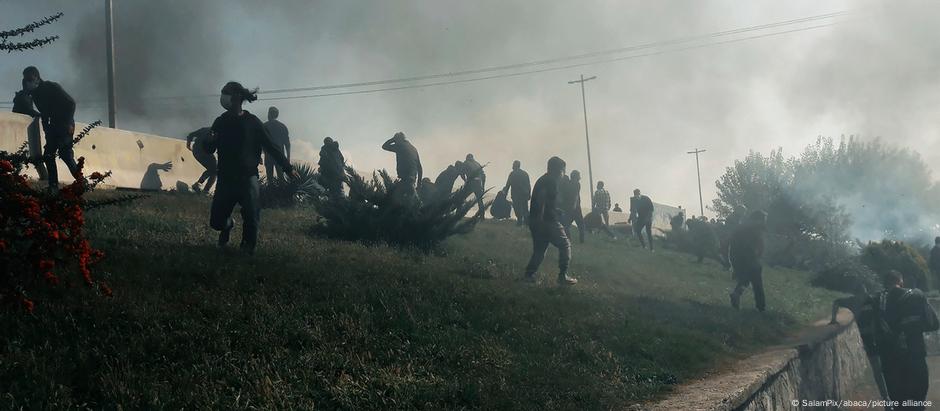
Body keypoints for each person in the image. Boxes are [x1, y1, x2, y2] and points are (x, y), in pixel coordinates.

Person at [204, 82, 298, 255]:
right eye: (223, 93)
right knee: (216, 222)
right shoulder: (220, 121)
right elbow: (209, 149)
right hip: (225, 178)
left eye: (226, 93)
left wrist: (287, 168)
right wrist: (208, 143)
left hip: (248, 178)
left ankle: (247, 250)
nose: (223, 96)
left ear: (238, 97)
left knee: (251, 216)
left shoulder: (252, 122)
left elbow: (271, 147)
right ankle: (228, 225)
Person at [876, 270, 939, 410]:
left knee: (899, 404)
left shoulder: (876, 301)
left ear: (884, 283)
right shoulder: (917, 295)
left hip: (891, 362)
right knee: (917, 403)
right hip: (915, 356)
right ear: (901, 281)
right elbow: (934, 324)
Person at [828, 283, 891, 404]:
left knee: (882, 368)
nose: (862, 296)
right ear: (857, 294)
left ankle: (888, 396)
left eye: (863, 293)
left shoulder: (871, 300)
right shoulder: (854, 301)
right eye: (861, 294)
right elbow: (836, 301)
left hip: (878, 337)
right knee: (878, 369)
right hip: (869, 337)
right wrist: (833, 319)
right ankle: (886, 397)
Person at [23, 66, 77, 193]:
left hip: (64, 124)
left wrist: (69, 123)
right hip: (52, 126)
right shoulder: (35, 95)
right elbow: (44, 112)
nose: (28, 82)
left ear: (37, 77)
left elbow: (71, 103)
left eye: (30, 79)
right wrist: (46, 128)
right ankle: (53, 186)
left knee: (66, 155)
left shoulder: (52, 87)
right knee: (48, 155)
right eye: (26, 80)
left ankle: (81, 182)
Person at [524, 156, 577, 285]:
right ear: (558, 170)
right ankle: (562, 276)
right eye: (563, 171)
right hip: (547, 221)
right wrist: (543, 219)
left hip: (536, 220)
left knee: (540, 250)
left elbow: (544, 201)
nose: (564, 175)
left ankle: (528, 276)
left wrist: (554, 209)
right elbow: (542, 199)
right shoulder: (551, 181)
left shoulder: (543, 179)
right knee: (565, 245)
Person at [729, 210, 767, 311]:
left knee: (746, 278)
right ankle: (761, 307)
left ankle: (736, 294)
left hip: (735, 255)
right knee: (757, 282)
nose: (764, 222)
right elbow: (760, 244)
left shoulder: (741, 225)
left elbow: (731, 241)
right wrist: (758, 256)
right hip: (749, 255)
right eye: (763, 219)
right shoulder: (757, 227)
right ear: (759, 219)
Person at [11, 78, 47, 180]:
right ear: (27, 83)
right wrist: (41, 114)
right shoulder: (22, 97)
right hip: (22, 128)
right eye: (33, 83)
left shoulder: (28, 96)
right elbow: (28, 110)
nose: (35, 85)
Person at [381, 131, 422, 199]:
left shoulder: (400, 146)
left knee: (392, 198)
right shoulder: (413, 148)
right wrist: (419, 184)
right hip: (412, 179)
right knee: (412, 199)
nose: (395, 143)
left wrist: (393, 139)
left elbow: (384, 146)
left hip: (406, 180)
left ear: (398, 140)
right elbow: (420, 167)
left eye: (395, 141)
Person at [262, 106, 291, 180]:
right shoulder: (282, 126)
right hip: (280, 155)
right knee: (281, 178)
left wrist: (259, 155)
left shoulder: (264, 126)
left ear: (269, 114)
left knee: (270, 178)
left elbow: (260, 143)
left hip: (269, 156)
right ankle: (282, 191)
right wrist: (288, 157)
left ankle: (271, 191)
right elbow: (287, 144)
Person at [186, 127, 217, 193]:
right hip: (201, 151)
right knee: (214, 170)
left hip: (198, 151)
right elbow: (191, 135)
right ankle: (204, 189)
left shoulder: (207, 129)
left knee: (213, 170)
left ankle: (201, 186)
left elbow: (191, 135)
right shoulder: (216, 132)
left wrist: (188, 144)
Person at [559, 170, 585, 244]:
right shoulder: (577, 184)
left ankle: (569, 240)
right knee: (581, 225)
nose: (580, 177)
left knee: (566, 225)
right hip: (575, 208)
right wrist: (574, 206)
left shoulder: (567, 183)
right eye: (579, 176)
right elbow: (576, 196)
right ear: (576, 177)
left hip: (568, 207)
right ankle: (581, 241)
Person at [502, 160, 531, 226]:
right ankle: (526, 223)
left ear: (515, 166)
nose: (512, 166)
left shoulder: (512, 174)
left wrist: (505, 193)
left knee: (517, 208)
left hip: (516, 195)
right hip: (524, 194)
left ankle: (520, 222)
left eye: (513, 165)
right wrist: (529, 194)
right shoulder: (525, 173)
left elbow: (508, 184)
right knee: (525, 209)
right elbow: (528, 185)